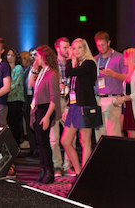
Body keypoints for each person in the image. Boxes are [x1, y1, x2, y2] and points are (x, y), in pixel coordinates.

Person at [60, 38, 98, 176]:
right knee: (65, 141)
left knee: (85, 141)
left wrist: (70, 59)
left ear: (85, 49)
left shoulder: (89, 64)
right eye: (74, 48)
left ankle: (84, 174)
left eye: (79, 48)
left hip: (85, 106)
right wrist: (68, 107)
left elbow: (69, 72)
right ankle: (78, 171)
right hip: (74, 106)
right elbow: (73, 89)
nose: (76, 51)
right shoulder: (79, 66)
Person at [28, 45, 61, 184]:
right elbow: (30, 84)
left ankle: (49, 171)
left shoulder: (52, 74)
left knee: (44, 142)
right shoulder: (42, 72)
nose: (36, 58)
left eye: (38, 56)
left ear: (44, 57)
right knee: (40, 143)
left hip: (46, 108)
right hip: (38, 108)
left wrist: (47, 116)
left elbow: (54, 98)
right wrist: (35, 67)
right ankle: (43, 169)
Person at [94, 31, 127, 139]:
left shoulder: (119, 57)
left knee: (113, 134)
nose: (100, 47)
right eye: (98, 45)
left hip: (113, 98)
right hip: (98, 98)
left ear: (109, 42)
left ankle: (115, 156)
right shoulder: (95, 60)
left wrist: (114, 74)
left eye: (103, 44)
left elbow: (127, 77)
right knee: (99, 135)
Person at [50, 37, 74, 176]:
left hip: (69, 100)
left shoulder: (73, 63)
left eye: (68, 47)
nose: (67, 50)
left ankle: (68, 165)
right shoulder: (53, 65)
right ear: (57, 48)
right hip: (56, 100)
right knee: (54, 137)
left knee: (70, 136)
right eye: (65, 47)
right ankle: (57, 165)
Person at [6, 48, 24, 146]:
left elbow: (16, 84)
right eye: (8, 55)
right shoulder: (5, 67)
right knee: (8, 124)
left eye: (12, 55)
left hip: (16, 98)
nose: (10, 57)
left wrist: (5, 92)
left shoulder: (18, 68)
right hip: (6, 99)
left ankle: (15, 145)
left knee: (14, 123)